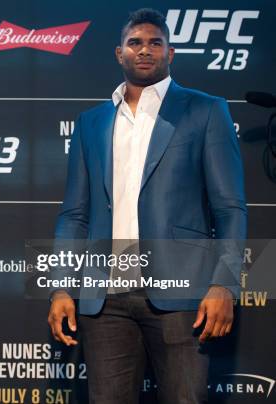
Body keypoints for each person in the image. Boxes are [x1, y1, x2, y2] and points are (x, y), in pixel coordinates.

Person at [47, 8, 246, 404]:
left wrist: (224, 283)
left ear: (170, 54)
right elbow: (75, 213)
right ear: (119, 54)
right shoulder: (91, 121)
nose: (145, 50)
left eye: (155, 42)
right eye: (135, 43)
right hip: (105, 299)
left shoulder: (205, 110)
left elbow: (230, 209)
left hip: (183, 293)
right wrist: (61, 287)